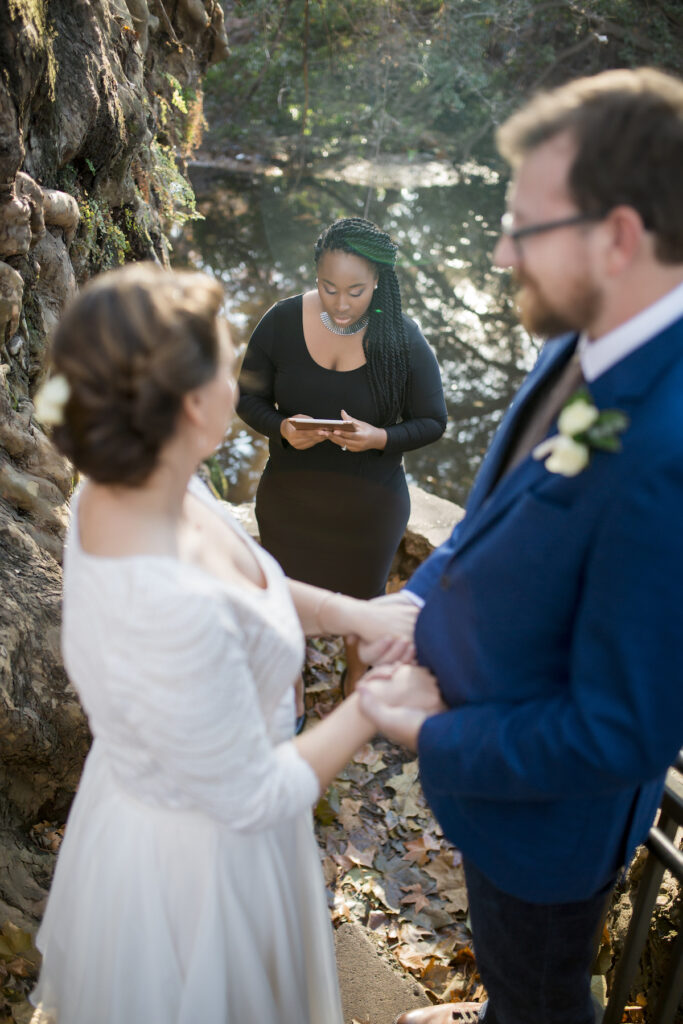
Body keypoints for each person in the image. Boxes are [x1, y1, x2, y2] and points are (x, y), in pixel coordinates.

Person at [28, 263, 442, 1024]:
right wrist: (371, 709)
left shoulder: (135, 483)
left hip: (154, 799)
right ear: (192, 406)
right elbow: (254, 793)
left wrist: (357, 616)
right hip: (201, 864)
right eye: (227, 364)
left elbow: (247, 588)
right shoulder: (166, 600)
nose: (242, 378)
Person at [357, 67, 683, 1024]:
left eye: (523, 228)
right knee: (506, 977)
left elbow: (617, 731)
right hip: (492, 788)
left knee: (540, 992)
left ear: (617, 237)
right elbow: (500, 515)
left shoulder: (669, 455)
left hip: (548, 827)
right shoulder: (580, 334)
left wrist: (432, 734)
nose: (499, 253)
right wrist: (419, 610)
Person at [237, 216, 447, 697]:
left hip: (368, 507)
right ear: (315, 275)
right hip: (290, 502)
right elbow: (247, 399)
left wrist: (379, 438)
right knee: (283, 593)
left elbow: (433, 421)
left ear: (379, 283)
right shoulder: (281, 322)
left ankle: (357, 682)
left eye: (356, 290)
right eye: (328, 288)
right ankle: (287, 681)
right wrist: (283, 428)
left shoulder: (401, 339)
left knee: (366, 601)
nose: (342, 303)